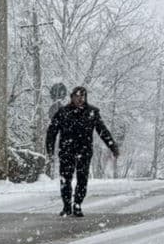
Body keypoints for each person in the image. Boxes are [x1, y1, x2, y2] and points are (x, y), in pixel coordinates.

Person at [45, 86, 119, 217]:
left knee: (82, 179)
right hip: (67, 151)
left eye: (82, 96)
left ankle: (77, 204)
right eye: (77, 96)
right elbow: (52, 132)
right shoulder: (62, 113)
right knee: (65, 180)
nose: (80, 99)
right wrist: (50, 150)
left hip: (84, 151)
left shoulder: (92, 112)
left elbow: (102, 131)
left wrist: (112, 146)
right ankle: (67, 206)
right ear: (72, 97)